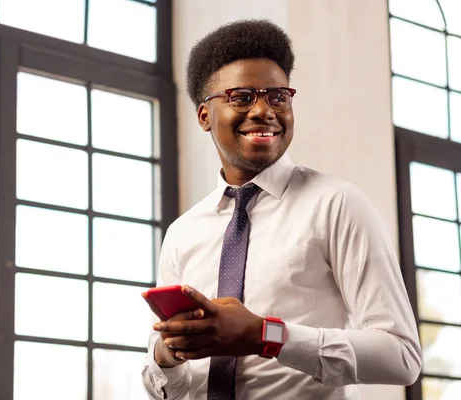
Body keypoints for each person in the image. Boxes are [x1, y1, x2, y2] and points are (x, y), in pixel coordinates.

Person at [140, 19, 421, 400]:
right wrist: (167, 353)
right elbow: (168, 389)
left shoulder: (337, 204)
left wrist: (265, 335)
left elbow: (401, 356)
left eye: (277, 96)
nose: (263, 110)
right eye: (241, 96)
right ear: (205, 116)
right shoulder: (182, 232)